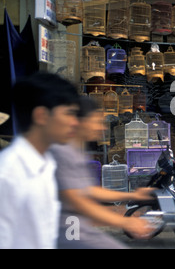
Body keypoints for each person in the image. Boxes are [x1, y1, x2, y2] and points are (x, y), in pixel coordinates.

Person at [51, 97, 156, 249]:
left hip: (75, 227)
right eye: (96, 121)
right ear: (80, 122)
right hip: (65, 230)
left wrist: (132, 195)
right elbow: (79, 202)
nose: (102, 127)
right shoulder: (62, 152)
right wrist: (125, 222)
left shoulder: (75, 152)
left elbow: (89, 191)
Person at [0, 72, 80, 249]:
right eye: (69, 114)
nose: (75, 123)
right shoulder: (8, 175)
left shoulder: (46, 165)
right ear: (41, 116)